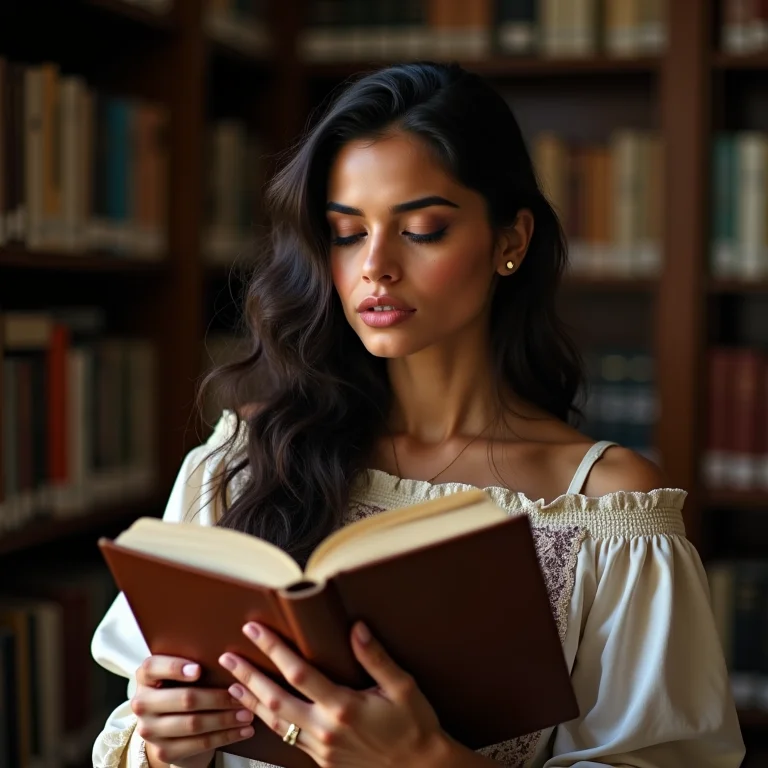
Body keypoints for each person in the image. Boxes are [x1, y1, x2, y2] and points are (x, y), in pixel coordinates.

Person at [91, 61, 745, 768]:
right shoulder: (248, 456)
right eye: (347, 232)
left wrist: (426, 760)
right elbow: (143, 715)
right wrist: (163, 743)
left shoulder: (607, 510)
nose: (375, 265)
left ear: (510, 242)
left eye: (423, 229)